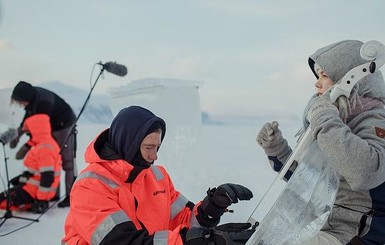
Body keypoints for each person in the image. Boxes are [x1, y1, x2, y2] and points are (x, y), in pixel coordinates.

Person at [62, 105, 255, 245]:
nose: (154, 156)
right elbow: (122, 242)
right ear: (127, 142)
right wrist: (195, 242)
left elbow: (184, 220)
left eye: (157, 147)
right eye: (148, 147)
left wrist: (211, 207)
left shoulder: (156, 175)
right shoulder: (90, 186)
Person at [257, 40, 385, 244]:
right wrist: (278, 150)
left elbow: (366, 172)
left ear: (351, 80)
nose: (317, 83)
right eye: (318, 75)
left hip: (359, 233)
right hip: (323, 224)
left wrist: (324, 118)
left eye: (325, 75)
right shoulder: (339, 118)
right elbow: (311, 180)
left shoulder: (375, 119)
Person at [10, 81, 77, 208]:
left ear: (25, 98)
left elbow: (38, 126)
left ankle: (71, 196)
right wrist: (17, 136)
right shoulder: (31, 98)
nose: (20, 105)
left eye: (20, 102)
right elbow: (28, 118)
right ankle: (53, 194)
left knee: (67, 162)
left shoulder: (42, 102)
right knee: (50, 161)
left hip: (64, 125)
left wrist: (26, 144)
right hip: (51, 126)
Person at [0, 114, 61, 213]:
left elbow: (47, 176)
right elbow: (37, 171)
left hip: (34, 191)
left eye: (29, 133)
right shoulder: (43, 144)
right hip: (31, 187)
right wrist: (21, 178)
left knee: (2, 203)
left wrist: (41, 200)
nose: (28, 135)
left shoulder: (45, 148)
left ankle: (29, 204)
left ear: (36, 131)